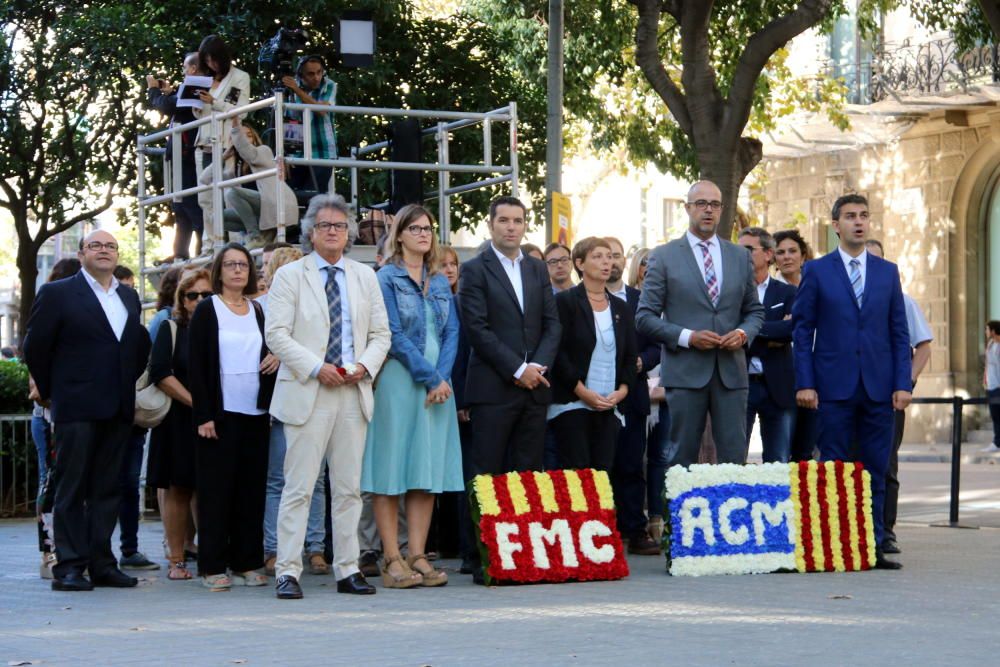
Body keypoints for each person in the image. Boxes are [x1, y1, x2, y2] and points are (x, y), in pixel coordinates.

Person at [265, 193, 391, 600]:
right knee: (299, 486)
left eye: (339, 225)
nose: (333, 231)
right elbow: (276, 335)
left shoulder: (364, 275)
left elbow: (380, 335)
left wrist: (363, 367)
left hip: (353, 391)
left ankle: (348, 569)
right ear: (311, 233)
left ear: (350, 232)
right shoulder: (290, 276)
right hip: (309, 389)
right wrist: (317, 366)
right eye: (324, 225)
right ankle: (288, 570)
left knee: (349, 488)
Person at [23, 230, 151, 591]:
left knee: (106, 489)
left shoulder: (128, 296)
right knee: (71, 487)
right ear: (81, 255)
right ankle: (69, 566)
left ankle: (102, 563)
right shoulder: (58, 293)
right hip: (75, 405)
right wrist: (51, 391)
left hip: (117, 407)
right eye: (95, 245)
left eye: (110, 246)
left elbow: (134, 347)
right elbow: (35, 347)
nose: (104, 250)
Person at [792, 194, 911, 570]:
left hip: (879, 388)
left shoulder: (887, 271)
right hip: (833, 386)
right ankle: (836, 546)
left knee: (876, 468)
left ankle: (874, 544)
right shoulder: (817, 271)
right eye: (850, 216)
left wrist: (902, 383)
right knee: (836, 468)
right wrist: (805, 383)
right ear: (835, 225)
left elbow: (898, 330)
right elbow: (802, 330)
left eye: (863, 216)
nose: (858, 222)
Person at [457, 195, 561, 584]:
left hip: (535, 386)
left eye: (518, 220)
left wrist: (536, 368)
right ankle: (479, 553)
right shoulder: (474, 270)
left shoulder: (537, 269)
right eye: (504, 220)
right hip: (493, 387)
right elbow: (477, 329)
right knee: (487, 473)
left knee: (526, 473)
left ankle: (521, 551)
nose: (511, 227)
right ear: (491, 225)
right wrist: (517, 368)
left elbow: (552, 324)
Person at [361, 204, 462, 589]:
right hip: (401, 382)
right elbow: (393, 336)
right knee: (391, 469)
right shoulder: (385, 277)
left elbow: (452, 332)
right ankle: (391, 557)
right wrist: (430, 376)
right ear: (399, 234)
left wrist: (443, 378)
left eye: (428, 228)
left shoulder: (438, 280)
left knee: (426, 470)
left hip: (439, 388)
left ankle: (417, 554)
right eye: (415, 228)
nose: (424, 234)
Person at [636, 180, 765, 468]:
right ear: (687, 208)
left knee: (734, 457)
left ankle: (733, 513)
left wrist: (744, 333)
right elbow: (644, 317)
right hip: (685, 371)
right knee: (681, 456)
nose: (708, 210)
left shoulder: (739, 255)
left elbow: (755, 311)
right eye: (701, 204)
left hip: (731, 372)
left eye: (715, 204)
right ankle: (678, 514)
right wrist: (687, 337)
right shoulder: (664, 256)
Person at [188, 243, 278, 591]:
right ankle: (212, 565)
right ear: (219, 271)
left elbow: (270, 349)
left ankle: (248, 560)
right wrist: (204, 415)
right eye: (230, 265)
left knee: (251, 491)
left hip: (255, 412)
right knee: (215, 491)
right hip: (219, 414)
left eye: (243, 264)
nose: (238, 270)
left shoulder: (257, 309)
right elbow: (197, 366)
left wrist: (277, 359)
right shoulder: (208, 309)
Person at [256, 246, 329, 577]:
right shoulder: (259, 309)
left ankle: (316, 548)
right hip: (280, 402)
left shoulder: (321, 304)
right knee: (279, 479)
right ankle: (274, 549)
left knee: (317, 479)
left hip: (318, 396)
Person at [865, 239, 933, 554]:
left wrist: (908, 382)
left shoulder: (903, 302)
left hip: (889, 396)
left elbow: (923, 346)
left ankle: (885, 532)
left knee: (886, 463)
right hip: (850, 394)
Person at [549, 236, 637, 475]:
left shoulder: (622, 308)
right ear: (579, 264)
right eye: (597, 257)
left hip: (610, 404)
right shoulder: (564, 302)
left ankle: (600, 515)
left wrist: (623, 390)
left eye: (609, 257)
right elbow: (557, 353)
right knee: (577, 476)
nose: (606, 262)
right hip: (572, 402)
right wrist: (582, 392)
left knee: (603, 474)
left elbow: (630, 355)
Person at [146, 269, 211, 580]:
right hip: (179, 421)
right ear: (182, 300)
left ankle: (211, 554)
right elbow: (160, 372)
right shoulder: (171, 329)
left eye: (207, 294)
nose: (200, 300)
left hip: (217, 419)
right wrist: (197, 404)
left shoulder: (225, 331)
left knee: (209, 488)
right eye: (192, 295)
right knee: (179, 490)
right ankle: (176, 559)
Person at [602, 237, 660, 555]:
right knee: (602, 465)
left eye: (616, 255)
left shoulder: (641, 300)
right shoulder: (579, 300)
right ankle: (603, 530)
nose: (610, 261)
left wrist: (642, 361)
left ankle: (635, 530)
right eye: (604, 255)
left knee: (632, 465)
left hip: (633, 393)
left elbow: (656, 344)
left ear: (626, 261)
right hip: (594, 396)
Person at [29, 257, 81, 580]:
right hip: (49, 417)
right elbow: (35, 383)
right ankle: (49, 551)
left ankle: (72, 548)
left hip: (74, 413)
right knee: (51, 482)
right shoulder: (50, 312)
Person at [737, 227, 797, 463]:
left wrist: (748, 331)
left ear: (768, 254)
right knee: (734, 461)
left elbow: (791, 331)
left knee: (779, 461)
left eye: (749, 250)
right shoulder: (732, 293)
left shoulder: (787, 292)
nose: (742, 255)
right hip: (740, 385)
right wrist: (771, 334)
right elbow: (727, 332)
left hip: (778, 386)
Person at [192, 35, 250, 251]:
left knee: (230, 195)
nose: (211, 65)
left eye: (213, 59)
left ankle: (235, 245)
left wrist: (213, 102)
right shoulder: (206, 79)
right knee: (205, 199)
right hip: (204, 143)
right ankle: (210, 246)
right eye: (206, 61)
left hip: (226, 144)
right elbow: (201, 115)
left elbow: (239, 111)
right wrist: (197, 105)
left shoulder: (239, 77)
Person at [147, 52, 204, 260]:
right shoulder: (195, 88)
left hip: (188, 155)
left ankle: (201, 252)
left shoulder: (197, 85)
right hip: (184, 155)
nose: (184, 72)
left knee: (190, 204)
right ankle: (181, 254)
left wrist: (153, 89)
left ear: (193, 69)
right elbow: (177, 106)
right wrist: (171, 92)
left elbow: (166, 106)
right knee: (180, 207)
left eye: (185, 68)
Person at [772, 229, 818, 462]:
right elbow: (772, 331)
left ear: (803, 255)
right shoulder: (770, 290)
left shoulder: (815, 286)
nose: (787, 257)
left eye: (792, 251)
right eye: (780, 252)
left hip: (816, 375)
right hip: (782, 378)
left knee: (807, 451)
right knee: (781, 451)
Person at [218, 119, 299, 248]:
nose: (245, 139)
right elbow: (205, 180)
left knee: (233, 193)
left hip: (276, 205)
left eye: (249, 135)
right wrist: (223, 157)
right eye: (240, 135)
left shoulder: (263, 151)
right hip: (259, 215)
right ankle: (254, 234)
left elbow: (247, 151)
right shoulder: (234, 168)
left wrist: (235, 127)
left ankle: (255, 236)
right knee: (217, 217)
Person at [283, 55, 337, 192]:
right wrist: (286, 155)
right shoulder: (290, 89)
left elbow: (322, 111)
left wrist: (297, 91)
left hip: (322, 151)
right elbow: (288, 122)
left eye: (319, 72)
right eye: (311, 74)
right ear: (301, 75)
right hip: (297, 153)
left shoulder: (329, 85)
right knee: (292, 196)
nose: (317, 77)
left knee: (315, 196)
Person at [984, 321, 1000, 454]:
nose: (986, 332)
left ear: (994, 331)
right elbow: (988, 364)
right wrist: (985, 379)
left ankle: (997, 442)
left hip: (998, 386)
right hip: (991, 385)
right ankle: (997, 442)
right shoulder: (990, 344)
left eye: (987, 329)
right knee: (995, 415)